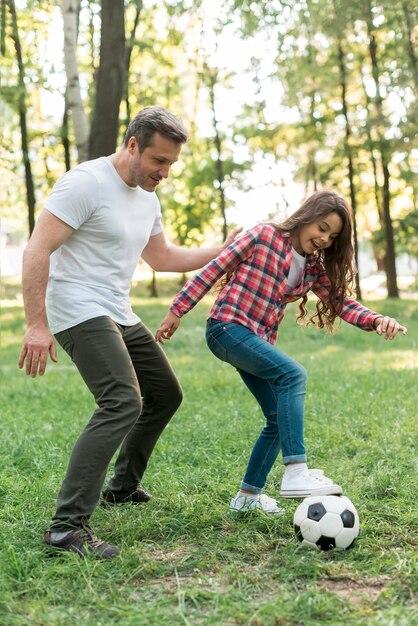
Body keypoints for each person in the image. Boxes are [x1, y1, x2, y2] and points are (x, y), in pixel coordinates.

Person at [18, 106, 241, 558]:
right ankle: (67, 528)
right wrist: (36, 324)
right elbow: (37, 248)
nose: (166, 172)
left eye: (172, 164)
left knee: (165, 394)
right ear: (133, 145)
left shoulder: (148, 199)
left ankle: (121, 488)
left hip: (116, 309)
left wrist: (224, 250)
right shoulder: (86, 183)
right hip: (76, 306)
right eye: (159, 161)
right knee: (122, 400)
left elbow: (161, 258)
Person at [156, 190, 408, 516]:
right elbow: (215, 268)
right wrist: (178, 308)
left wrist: (376, 319)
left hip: (253, 339)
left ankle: (247, 496)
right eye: (321, 228)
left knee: (278, 416)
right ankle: (295, 471)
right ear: (305, 217)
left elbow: (340, 303)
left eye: (332, 236)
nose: (324, 239)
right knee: (293, 374)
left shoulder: (312, 268)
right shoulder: (263, 235)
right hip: (227, 328)